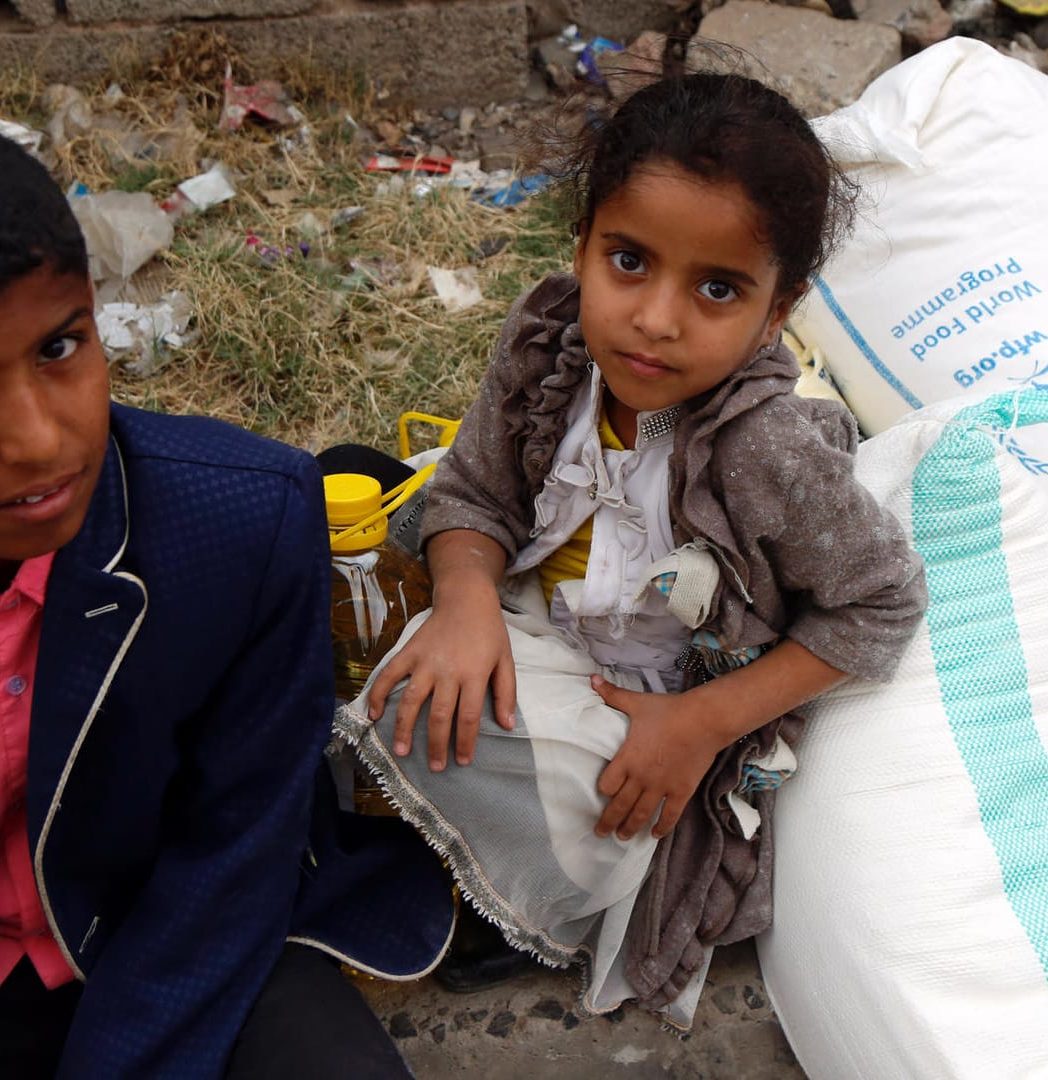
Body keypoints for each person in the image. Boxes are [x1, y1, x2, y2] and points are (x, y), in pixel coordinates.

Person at [0, 112, 453, 1079]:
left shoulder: (246, 525)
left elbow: (233, 857)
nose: (39, 439)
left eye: (60, 348)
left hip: (176, 958)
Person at [337, 73, 928, 1028]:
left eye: (718, 289)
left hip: (662, 704)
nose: (657, 318)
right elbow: (476, 494)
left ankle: (528, 894)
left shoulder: (765, 451)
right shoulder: (550, 349)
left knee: (457, 730)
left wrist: (698, 727)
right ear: (581, 245)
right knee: (371, 614)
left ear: (778, 312)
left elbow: (882, 604)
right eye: (628, 261)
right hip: (539, 619)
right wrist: (467, 603)